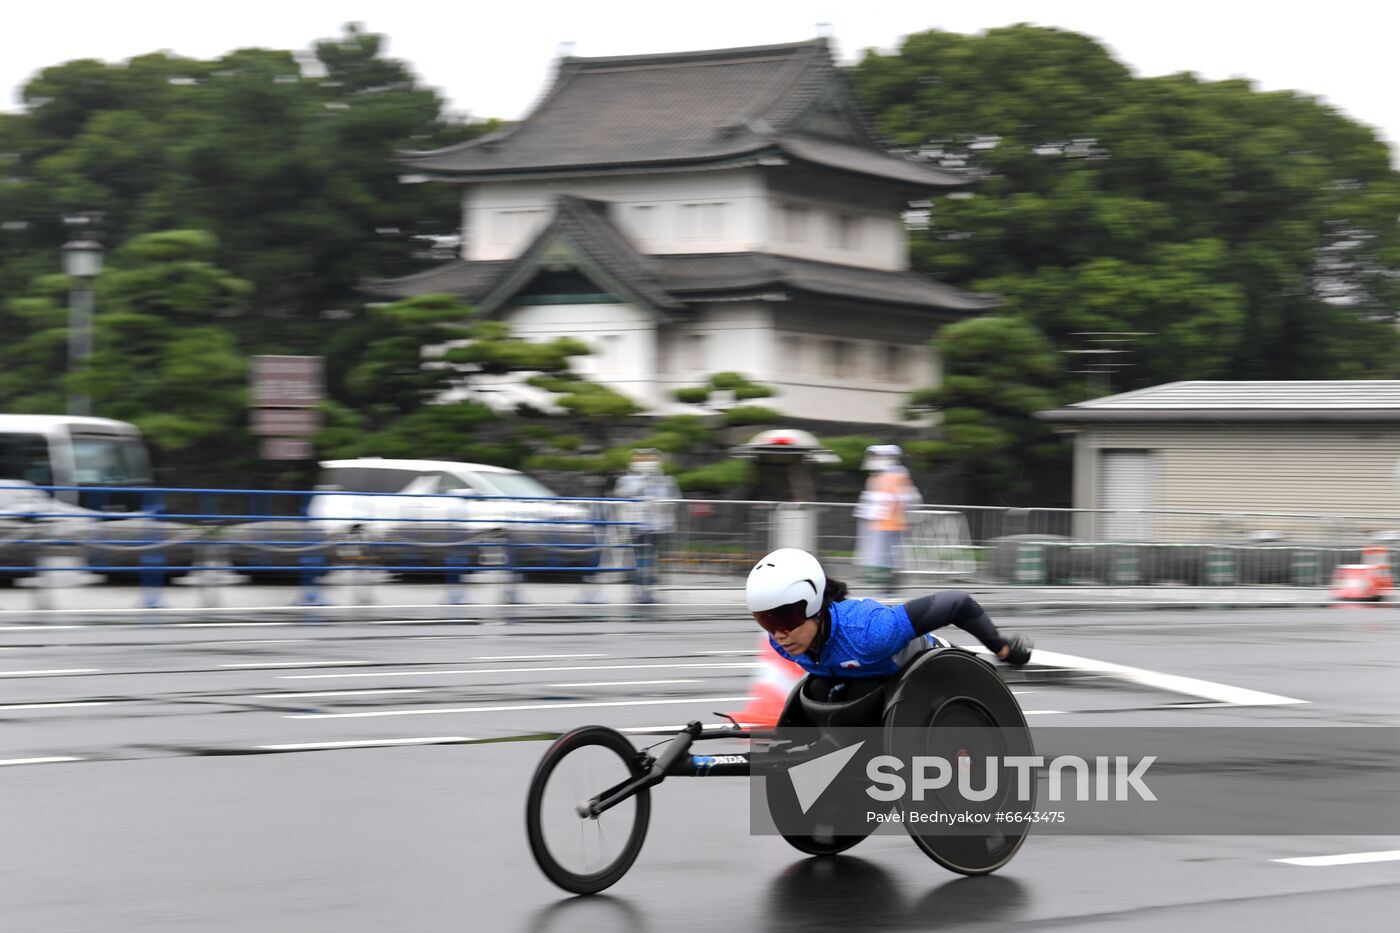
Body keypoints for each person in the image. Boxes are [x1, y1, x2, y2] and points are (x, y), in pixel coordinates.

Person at [746, 547, 1031, 679]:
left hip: (926, 673)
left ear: (816, 606)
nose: (779, 635)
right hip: (858, 684)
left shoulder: (872, 632)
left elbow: (958, 603)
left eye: (786, 619)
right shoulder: (783, 644)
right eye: (767, 622)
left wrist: (1002, 648)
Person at [613, 448, 680, 602]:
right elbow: (621, 494)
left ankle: (649, 588)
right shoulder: (626, 480)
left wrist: (657, 490)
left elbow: (674, 499)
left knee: (652, 556)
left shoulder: (666, 480)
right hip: (636, 524)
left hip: (659, 525)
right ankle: (640, 589)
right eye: (641, 459)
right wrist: (643, 481)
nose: (645, 462)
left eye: (649, 459)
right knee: (640, 556)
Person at [854, 444, 921, 589]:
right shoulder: (877, 476)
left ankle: (891, 580)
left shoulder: (896, 474)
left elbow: (906, 497)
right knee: (882, 552)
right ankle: (886, 579)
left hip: (892, 522)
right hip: (879, 523)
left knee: (888, 552)